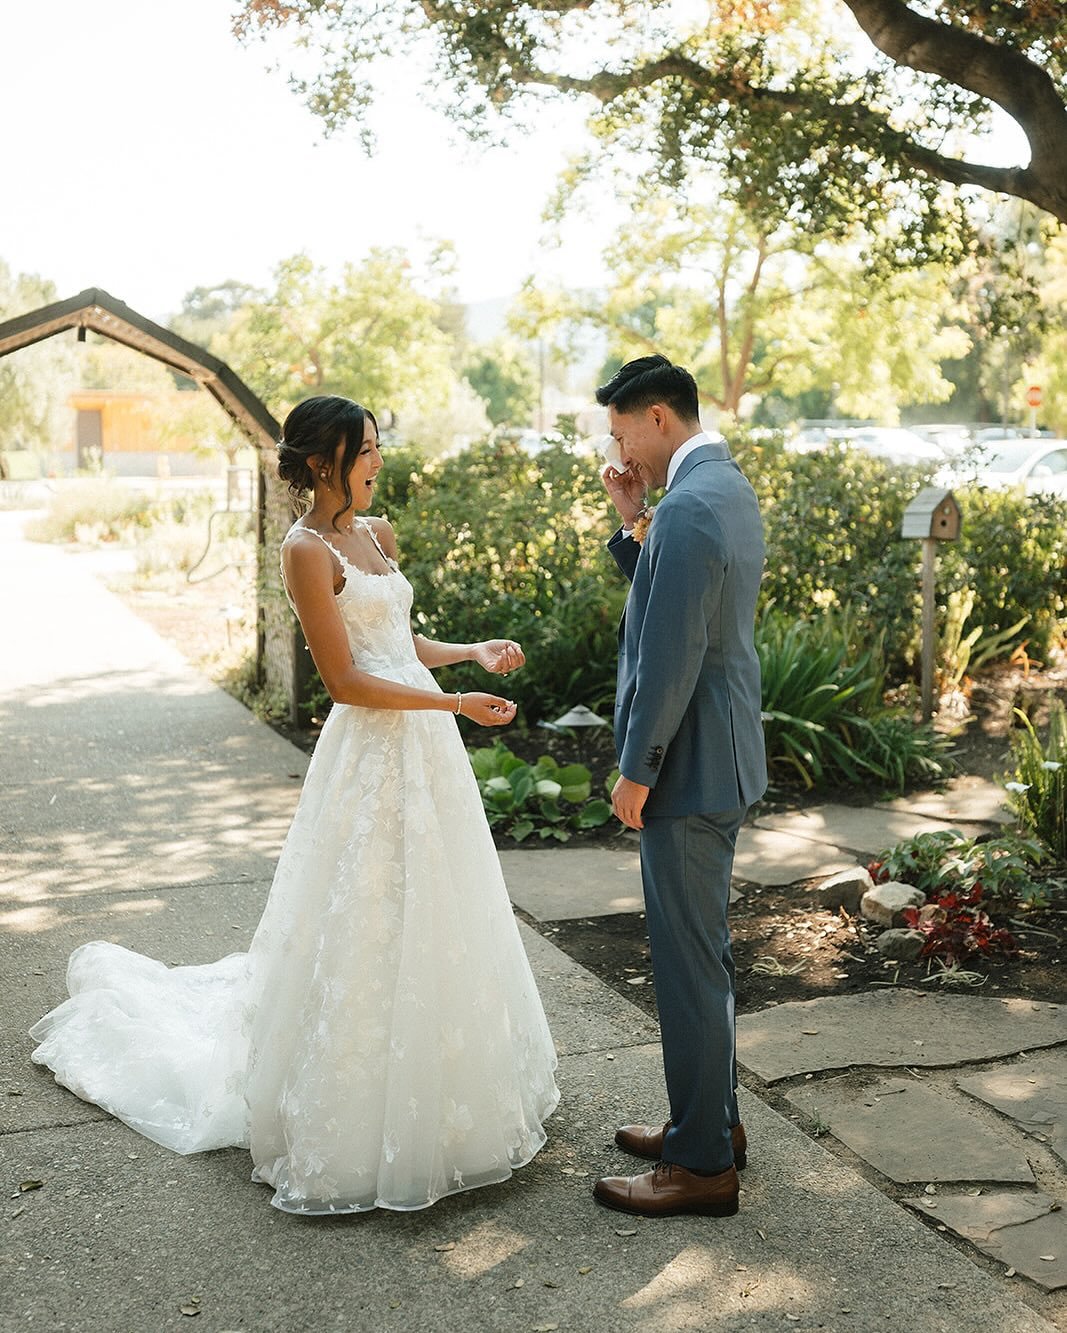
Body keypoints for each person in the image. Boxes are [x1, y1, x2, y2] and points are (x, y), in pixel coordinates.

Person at [30, 394, 559, 1215]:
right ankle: (354, 1102)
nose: (379, 460)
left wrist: (469, 652)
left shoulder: (377, 536)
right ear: (324, 463)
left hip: (424, 752)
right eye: (366, 449)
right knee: (364, 915)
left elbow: (396, 640)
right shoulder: (304, 549)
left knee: (439, 910)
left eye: (381, 445)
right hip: (372, 752)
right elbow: (347, 677)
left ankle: (449, 1091)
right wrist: (455, 704)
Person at [594, 355, 767, 1218]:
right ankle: (712, 1124)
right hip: (718, 758)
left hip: (689, 766)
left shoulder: (695, 505)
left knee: (688, 967)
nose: (620, 448)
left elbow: (669, 656)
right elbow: (676, 603)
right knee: (706, 958)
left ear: (658, 418)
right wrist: (633, 523)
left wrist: (636, 768)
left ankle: (700, 1165)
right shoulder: (719, 489)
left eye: (624, 432)